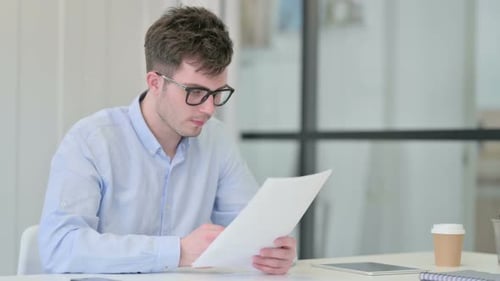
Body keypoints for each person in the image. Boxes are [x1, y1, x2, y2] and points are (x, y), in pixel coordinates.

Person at [38, 6, 296, 275]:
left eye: (217, 93)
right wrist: (179, 251)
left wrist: (273, 253)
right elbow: (59, 248)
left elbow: (249, 230)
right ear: (155, 83)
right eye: (196, 92)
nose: (210, 109)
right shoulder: (92, 141)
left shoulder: (216, 140)